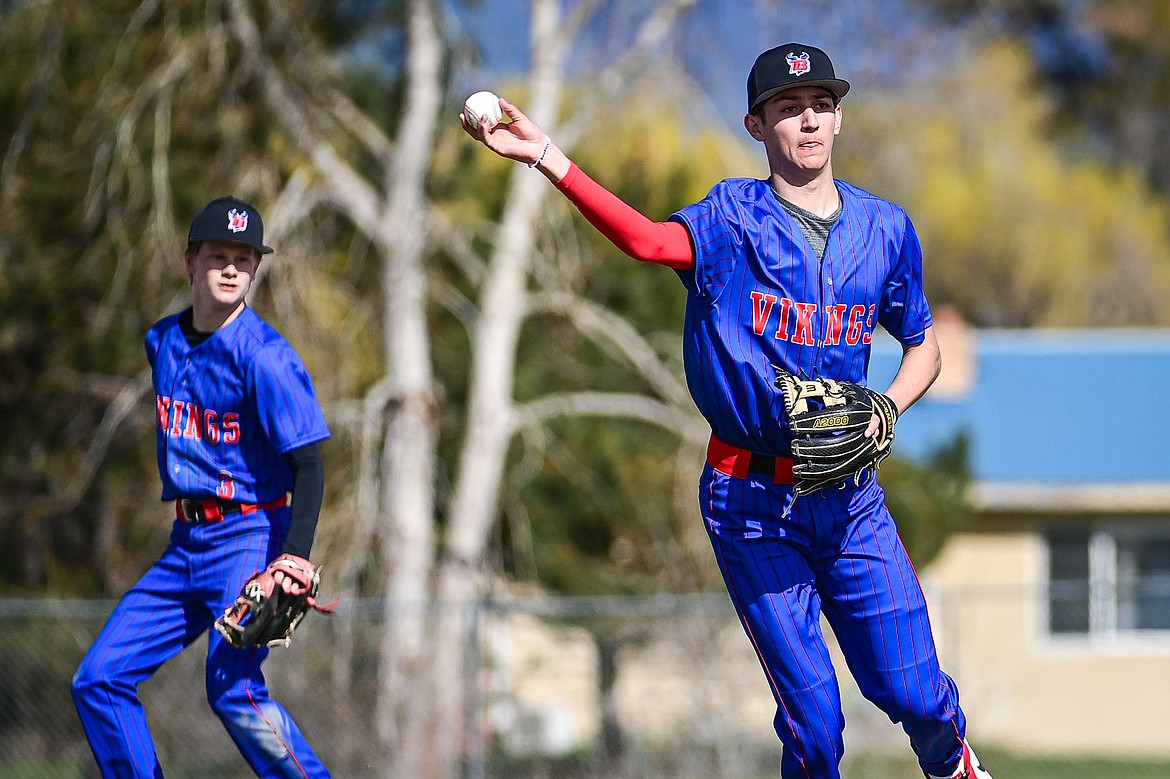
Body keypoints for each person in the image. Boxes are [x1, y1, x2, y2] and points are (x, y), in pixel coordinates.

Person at [463, 43, 992, 779]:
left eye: (821, 106)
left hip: (848, 498)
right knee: (816, 723)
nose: (807, 121)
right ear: (756, 124)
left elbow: (924, 346)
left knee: (916, 692)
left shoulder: (886, 230)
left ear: (839, 120)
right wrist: (546, 155)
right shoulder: (731, 219)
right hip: (750, 502)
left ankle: (953, 764)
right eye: (787, 109)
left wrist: (886, 409)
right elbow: (646, 240)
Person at [72, 196, 333, 778]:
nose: (232, 268)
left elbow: (309, 463)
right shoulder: (161, 341)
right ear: (190, 262)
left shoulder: (264, 357)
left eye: (245, 257)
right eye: (218, 255)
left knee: (233, 692)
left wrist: (294, 555)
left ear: (256, 269)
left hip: (247, 534)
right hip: (185, 541)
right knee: (99, 679)